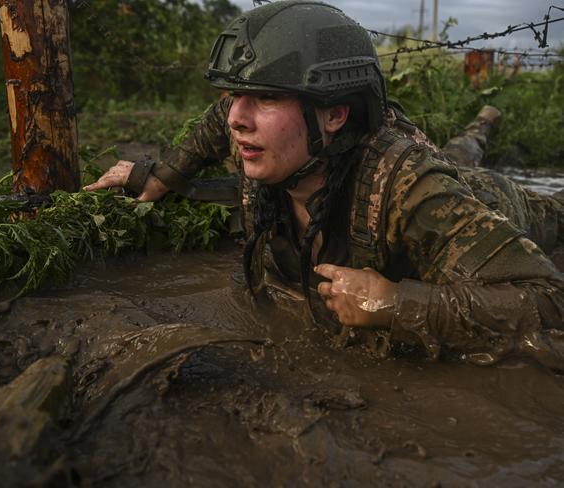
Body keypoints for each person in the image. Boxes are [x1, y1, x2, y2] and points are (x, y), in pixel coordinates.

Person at [85, 0, 564, 369]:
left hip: (498, 203)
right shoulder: (259, 136)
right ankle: (482, 122)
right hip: (415, 168)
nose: (238, 118)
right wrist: (163, 176)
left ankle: (485, 121)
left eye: (267, 97)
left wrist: (397, 304)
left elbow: (547, 301)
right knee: (460, 150)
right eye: (236, 94)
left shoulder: (414, 191)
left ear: (335, 114)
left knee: (491, 175)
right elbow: (214, 123)